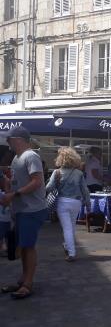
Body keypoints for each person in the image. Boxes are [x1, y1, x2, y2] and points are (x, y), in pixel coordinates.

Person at [0, 126, 48, 300]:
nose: (8, 142)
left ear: (18, 139)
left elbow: (37, 181)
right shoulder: (17, 158)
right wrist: (9, 187)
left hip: (31, 209)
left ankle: (28, 283)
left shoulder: (30, 156)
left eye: (9, 139)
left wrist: (14, 194)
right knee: (23, 246)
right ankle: (23, 280)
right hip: (22, 209)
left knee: (27, 247)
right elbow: (17, 180)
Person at [46, 147, 91, 262]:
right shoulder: (79, 173)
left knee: (67, 228)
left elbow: (49, 188)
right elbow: (85, 190)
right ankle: (67, 246)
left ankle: (71, 253)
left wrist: (55, 182)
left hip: (63, 202)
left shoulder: (57, 172)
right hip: (76, 202)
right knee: (71, 226)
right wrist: (88, 204)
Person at [0, 170, 11, 256]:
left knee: (7, 233)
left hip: (7, 219)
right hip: (2, 219)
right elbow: (5, 202)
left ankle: (7, 248)